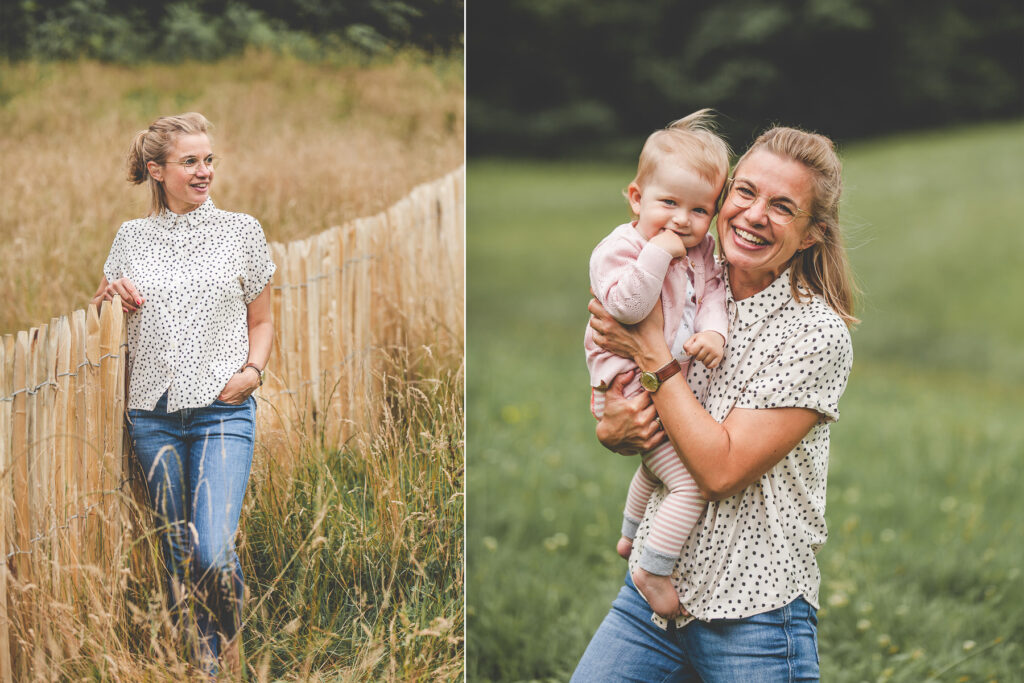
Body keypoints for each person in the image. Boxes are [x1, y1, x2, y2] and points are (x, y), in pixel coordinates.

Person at [573, 124, 857, 681]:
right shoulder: (688, 272)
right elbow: (621, 386)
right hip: (655, 592)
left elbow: (721, 469)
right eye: (745, 192)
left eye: (782, 207)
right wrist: (612, 426)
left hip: (754, 613)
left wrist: (653, 350)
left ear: (808, 235)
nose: (754, 215)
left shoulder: (815, 334)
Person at [91, 112, 276, 674]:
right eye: (190, 161)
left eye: (209, 159)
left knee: (212, 549)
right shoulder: (131, 238)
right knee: (176, 548)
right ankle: (205, 659)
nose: (204, 172)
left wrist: (252, 373)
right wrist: (109, 296)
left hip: (223, 412)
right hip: (153, 415)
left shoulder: (242, 231)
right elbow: (98, 318)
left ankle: (230, 639)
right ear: (157, 170)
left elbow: (262, 321)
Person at [584, 110, 730, 619]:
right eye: (668, 203)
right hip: (625, 388)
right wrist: (660, 252)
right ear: (635, 197)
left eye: (699, 210)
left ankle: (628, 536)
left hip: (661, 384)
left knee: (654, 467)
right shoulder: (620, 249)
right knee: (685, 480)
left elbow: (713, 290)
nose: (681, 221)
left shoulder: (703, 248)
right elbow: (626, 307)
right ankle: (652, 567)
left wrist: (714, 329)